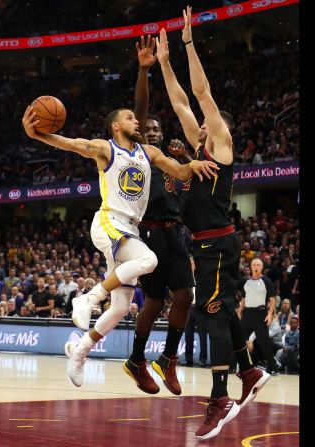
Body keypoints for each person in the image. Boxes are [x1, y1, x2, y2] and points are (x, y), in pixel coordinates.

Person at [21, 46, 219, 387]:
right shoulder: (105, 148)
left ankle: (79, 349)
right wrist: (37, 134)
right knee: (149, 261)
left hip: (130, 230)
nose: (135, 121)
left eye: (134, 117)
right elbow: (70, 144)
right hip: (109, 222)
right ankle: (87, 297)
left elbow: (181, 172)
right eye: (129, 117)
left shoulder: (149, 151)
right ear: (116, 126)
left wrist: (194, 162)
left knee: (122, 307)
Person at [155, 11, 269, 439]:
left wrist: (186, 45)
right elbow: (181, 102)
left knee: (212, 311)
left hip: (217, 243)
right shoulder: (198, 148)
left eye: (205, 122)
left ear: (218, 128)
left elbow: (199, 93)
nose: (198, 123)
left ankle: (220, 397)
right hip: (208, 243)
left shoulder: (220, 143)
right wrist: (165, 64)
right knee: (219, 308)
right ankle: (251, 372)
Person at [121, 35, 196, 396]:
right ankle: (137, 358)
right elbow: (141, 108)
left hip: (174, 234)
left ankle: (167, 359)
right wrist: (143, 70)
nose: (150, 131)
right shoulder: (140, 155)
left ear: (163, 137)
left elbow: (189, 188)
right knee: (153, 301)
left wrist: (184, 159)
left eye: (155, 131)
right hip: (148, 233)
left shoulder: (170, 163)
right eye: (145, 129)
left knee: (185, 296)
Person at [239, 259, 279, 375]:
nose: (256, 266)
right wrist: (240, 312)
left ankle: (273, 368)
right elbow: (243, 299)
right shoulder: (246, 282)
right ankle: (234, 366)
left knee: (264, 342)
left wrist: (270, 314)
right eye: (254, 265)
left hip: (260, 314)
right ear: (250, 267)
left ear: (261, 267)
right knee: (239, 340)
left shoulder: (266, 281)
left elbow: (272, 299)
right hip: (247, 314)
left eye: (258, 265)